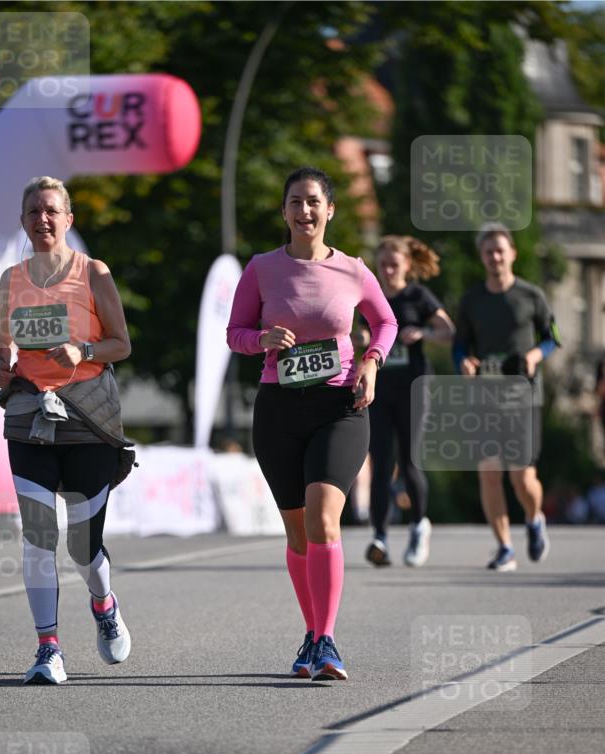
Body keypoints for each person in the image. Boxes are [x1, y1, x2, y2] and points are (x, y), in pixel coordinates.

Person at [226, 166, 397, 681]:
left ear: (330, 211)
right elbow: (234, 331)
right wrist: (262, 341)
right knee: (298, 533)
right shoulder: (260, 269)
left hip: (340, 407)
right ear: (284, 211)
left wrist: (370, 361)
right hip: (279, 408)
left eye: (313, 202)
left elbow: (385, 322)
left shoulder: (353, 270)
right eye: (295, 202)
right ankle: (312, 632)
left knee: (325, 516)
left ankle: (325, 641)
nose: (305, 211)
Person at [0, 176, 133, 684]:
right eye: (33, 212)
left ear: (69, 219)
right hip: (29, 417)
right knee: (37, 537)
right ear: (24, 221)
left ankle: (103, 602)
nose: (42, 220)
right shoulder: (12, 279)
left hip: (87, 419)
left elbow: (121, 344)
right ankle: (48, 649)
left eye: (52, 210)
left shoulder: (92, 272)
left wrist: (83, 350)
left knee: (83, 547)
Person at [454, 222, 560, 571]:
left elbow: (552, 337)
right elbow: (460, 345)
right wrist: (464, 362)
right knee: (488, 473)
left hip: (522, 398)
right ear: (482, 257)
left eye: (500, 250)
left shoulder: (531, 296)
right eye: (488, 252)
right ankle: (504, 547)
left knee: (521, 477)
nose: (495, 257)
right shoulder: (471, 301)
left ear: (512, 253)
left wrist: (534, 355)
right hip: (485, 398)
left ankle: (534, 518)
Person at [365, 236, 454, 568]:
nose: (388, 270)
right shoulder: (369, 294)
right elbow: (352, 331)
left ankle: (418, 526)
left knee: (410, 459)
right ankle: (380, 537)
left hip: (414, 387)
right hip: (378, 387)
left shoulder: (418, 295)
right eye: (383, 264)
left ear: (406, 265)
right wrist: (361, 338)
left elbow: (448, 331)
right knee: (381, 463)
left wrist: (423, 334)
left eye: (395, 264)